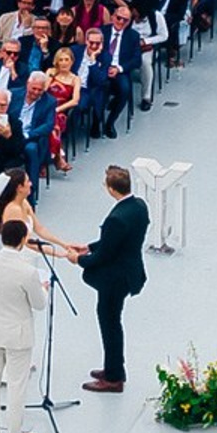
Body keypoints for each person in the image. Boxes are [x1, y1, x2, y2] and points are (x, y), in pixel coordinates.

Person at [61, 162, 150, 391]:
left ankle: (113, 377)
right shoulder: (139, 206)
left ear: (111, 189)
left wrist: (78, 259)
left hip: (115, 279)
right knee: (112, 322)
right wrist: (88, 247)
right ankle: (113, 368)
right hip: (130, 270)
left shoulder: (116, 219)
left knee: (110, 324)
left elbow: (105, 255)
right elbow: (115, 241)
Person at [0, 214, 50, 433]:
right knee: (17, 385)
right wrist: (44, 289)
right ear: (23, 240)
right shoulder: (27, 272)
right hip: (17, 335)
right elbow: (39, 304)